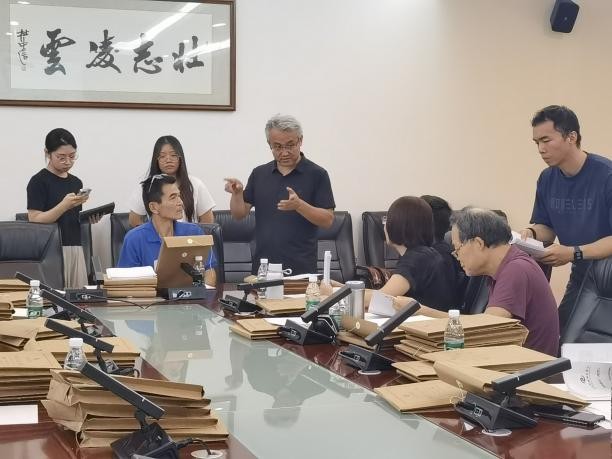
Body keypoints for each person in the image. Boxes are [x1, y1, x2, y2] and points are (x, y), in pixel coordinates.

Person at [521, 105, 612, 332]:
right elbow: (547, 227)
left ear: (571, 137)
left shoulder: (606, 176)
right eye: (536, 143)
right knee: (560, 336)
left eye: (546, 140)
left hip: (606, 272)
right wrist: (530, 234)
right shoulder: (546, 178)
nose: (541, 149)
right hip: (581, 275)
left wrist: (573, 253)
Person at [224, 114, 335, 275]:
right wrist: (237, 194)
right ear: (269, 144)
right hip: (263, 267)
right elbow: (239, 214)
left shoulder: (317, 174)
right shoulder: (259, 174)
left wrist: (299, 205)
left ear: (300, 140)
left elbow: (328, 220)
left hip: (301, 269)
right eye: (277, 147)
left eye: (290, 145)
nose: (284, 152)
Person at [451, 207, 559, 356]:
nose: (457, 256)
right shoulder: (505, 266)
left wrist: (425, 313)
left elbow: (485, 328)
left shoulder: (516, 270)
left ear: (478, 243)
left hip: (526, 367)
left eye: (457, 248)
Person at [365, 196, 464, 314]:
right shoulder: (426, 254)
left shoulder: (416, 259)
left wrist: (347, 293)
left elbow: (379, 299)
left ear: (397, 226)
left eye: (388, 221)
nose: (385, 226)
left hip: (428, 323)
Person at [27, 128, 98, 289]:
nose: (68, 162)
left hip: (75, 246)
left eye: (72, 156)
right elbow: (34, 218)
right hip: (51, 251)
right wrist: (63, 206)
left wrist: (88, 219)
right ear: (47, 153)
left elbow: (72, 218)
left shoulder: (76, 182)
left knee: (78, 297)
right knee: (55, 296)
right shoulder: (38, 181)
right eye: (61, 157)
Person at [118, 174, 217, 286]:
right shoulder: (134, 239)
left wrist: (203, 293)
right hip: (151, 297)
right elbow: (126, 283)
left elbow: (209, 272)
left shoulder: (194, 233)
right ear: (154, 207)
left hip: (191, 296)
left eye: (179, 196)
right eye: (173, 197)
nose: (180, 202)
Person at [128, 135, 215, 227]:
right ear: (156, 160)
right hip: (159, 236)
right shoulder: (147, 186)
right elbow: (134, 220)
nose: (168, 160)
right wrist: (152, 233)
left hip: (189, 235)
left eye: (173, 155)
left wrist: (193, 234)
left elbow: (208, 220)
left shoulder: (196, 184)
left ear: (180, 158)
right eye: (162, 156)